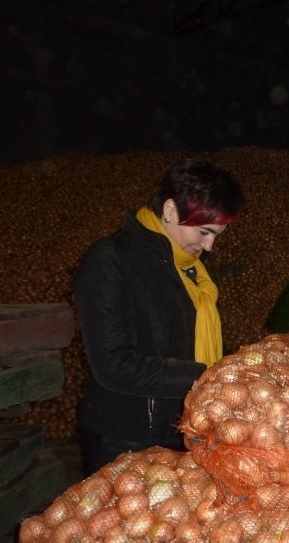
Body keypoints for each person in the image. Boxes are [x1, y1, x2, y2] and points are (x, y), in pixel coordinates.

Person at [74, 158, 246, 475]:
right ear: (170, 210)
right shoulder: (109, 262)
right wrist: (207, 376)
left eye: (216, 235)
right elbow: (113, 365)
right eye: (205, 232)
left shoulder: (189, 271)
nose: (209, 246)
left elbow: (182, 339)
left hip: (181, 432)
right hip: (126, 439)